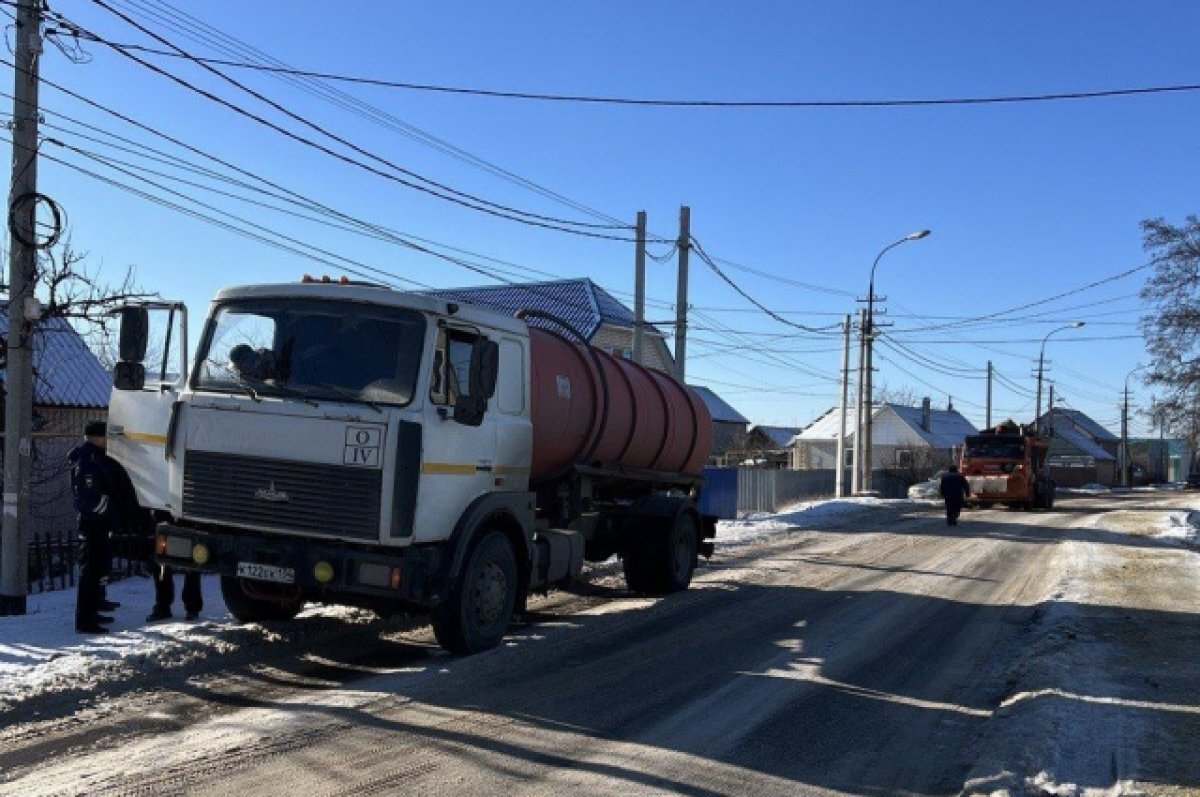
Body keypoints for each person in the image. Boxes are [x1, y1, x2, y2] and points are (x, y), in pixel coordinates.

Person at [70, 420, 121, 634]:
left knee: (97, 569)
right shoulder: (88, 460)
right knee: (89, 573)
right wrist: (107, 508)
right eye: (105, 437)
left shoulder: (93, 458)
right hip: (92, 523)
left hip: (97, 523)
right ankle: (85, 621)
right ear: (98, 438)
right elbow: (89, 497)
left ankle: (92, 613)